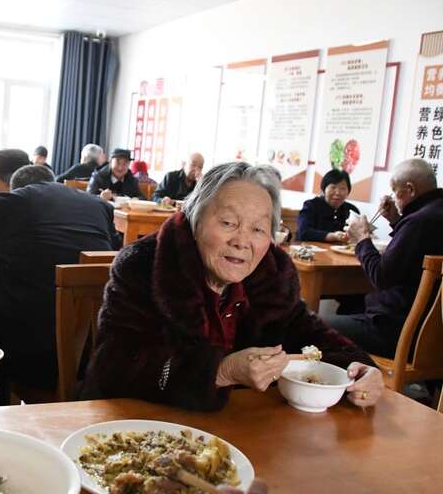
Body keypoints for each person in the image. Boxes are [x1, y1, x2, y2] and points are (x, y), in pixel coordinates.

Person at [81, 161, 384, 410]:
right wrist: (220, 371)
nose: (242, 241)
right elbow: (114, 368)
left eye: (258, 229)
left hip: (238, 433)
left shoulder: (271, 276)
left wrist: (359, 367)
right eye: (228, 223)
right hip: (136, 428)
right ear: (194, 220)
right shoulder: (145, 265)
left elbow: (313, 336)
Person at [0, 165, 117, 400]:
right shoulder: (99, 205)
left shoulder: (15, 201)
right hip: (95, 348)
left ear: (17, 188)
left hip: (29, 352)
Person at [328, 158, 443, 357]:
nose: (393, 197)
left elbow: (380, 276)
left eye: (394, 191)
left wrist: (362, 238)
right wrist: (396, 220)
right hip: (432, 336)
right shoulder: (434, 212)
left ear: (410, 189)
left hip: (397, 332)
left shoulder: (418, 222)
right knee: (350, 306)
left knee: (314, 326)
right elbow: (411, 257)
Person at [297, 169, 360, 242]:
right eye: (333, 187)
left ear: (348, 191)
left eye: (342, 188)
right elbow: (303, 232)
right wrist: (333, 236)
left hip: (342, 249)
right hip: (310, 248)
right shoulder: (311, 205)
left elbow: (358, 235)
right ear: (324, 189)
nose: (338, 192)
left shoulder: (352, 210)